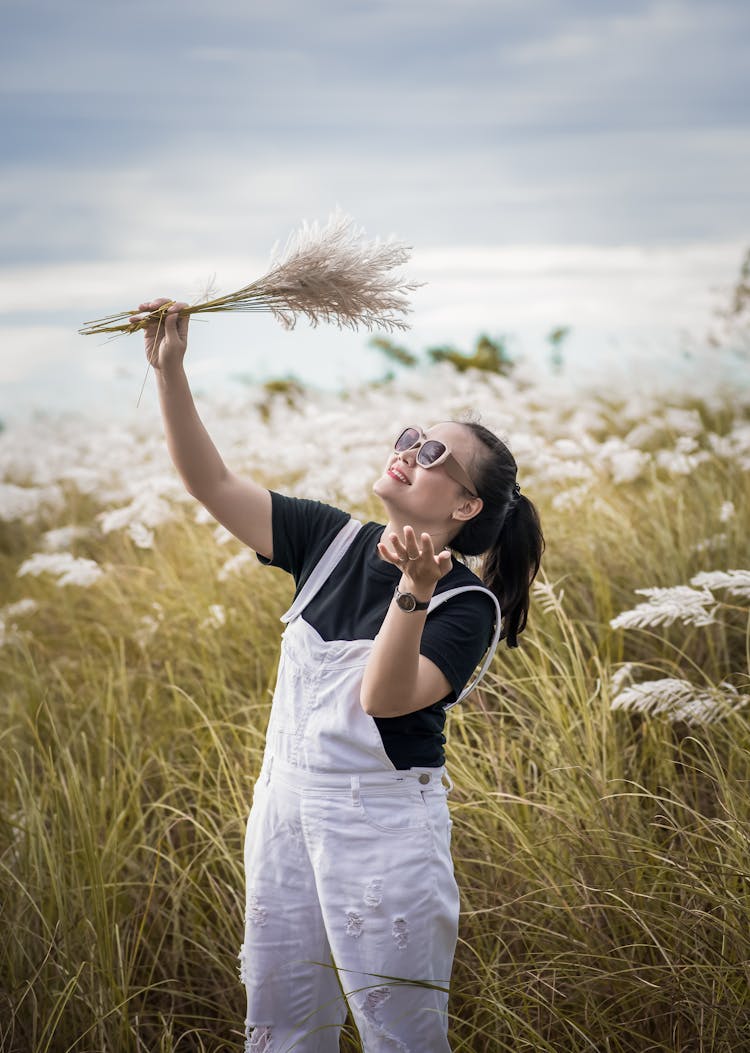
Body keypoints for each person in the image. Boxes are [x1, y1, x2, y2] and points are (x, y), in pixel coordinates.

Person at [135, 299, 545, 1053]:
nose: (409, 451)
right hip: (283, 816)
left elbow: (383, 698)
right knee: (285, 1029)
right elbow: (210, 482)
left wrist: (412, 591)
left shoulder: (465, 605)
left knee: (401, 1037)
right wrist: (171, 370)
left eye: (433, 456)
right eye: (411, 438)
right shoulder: (329, 538)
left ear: (465, 503)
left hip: (383, 837)